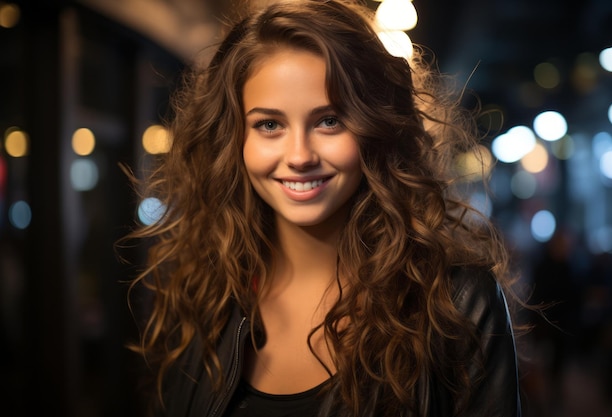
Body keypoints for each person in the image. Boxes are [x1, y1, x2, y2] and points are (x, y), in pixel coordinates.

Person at [126, 0, 522, 416]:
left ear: (373, 128)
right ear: (234, 141)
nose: (299, 156)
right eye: (269, 125)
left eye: (329, 120)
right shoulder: (201, 290)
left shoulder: (456, 302)